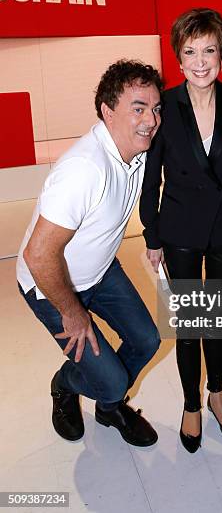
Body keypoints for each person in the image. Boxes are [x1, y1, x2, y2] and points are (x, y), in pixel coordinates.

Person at [17, 60, 163, 447]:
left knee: (146, 340)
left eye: (155, 108)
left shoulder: (137, 148)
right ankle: (66, 384)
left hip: (99, 271)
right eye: (138, 108)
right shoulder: (85, 169)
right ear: (107, 110)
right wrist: (72, 311)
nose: (150, 119)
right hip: (51, 284)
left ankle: (107, 404)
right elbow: (39, 255)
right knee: (112, 376)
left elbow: (195, 111)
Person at [140, 8, 222, 453]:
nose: (201, 60)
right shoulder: (165, 106)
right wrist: (151, 234)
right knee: (189, 321)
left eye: (209, 50)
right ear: (178, 59)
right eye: (191, 51)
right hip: (180, 229)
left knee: (217, 318)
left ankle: (217, 393)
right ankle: (191, 403)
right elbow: (152, 178)